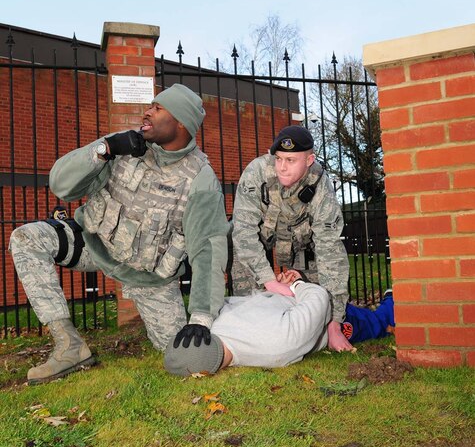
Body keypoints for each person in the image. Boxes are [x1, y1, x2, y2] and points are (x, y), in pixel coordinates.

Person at [9, 84, 230, 384]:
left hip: (148, 277)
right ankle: (69, 345)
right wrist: (105, 149)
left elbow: (209, 252)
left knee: (182, 356)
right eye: (150, 105)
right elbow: (60, 184)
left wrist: (201, 318)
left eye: (158, 107)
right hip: (93, 243)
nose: (147, 112)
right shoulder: (123, 146)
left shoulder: (201, 180)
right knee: (27, 238)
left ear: (181, 122)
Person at [231, 125, 352, 353]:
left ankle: (323, 324)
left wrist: (334, 322)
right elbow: (244, 232)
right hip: (259, 241)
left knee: (323, 294)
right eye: (278, 159)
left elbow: (329, 248)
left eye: (290, 160)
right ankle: (248, 326)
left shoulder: (320, 186)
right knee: (232, 245)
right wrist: (269, 280)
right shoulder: (257, 172)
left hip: (303, 247)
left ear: (309, 160)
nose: (282, 168)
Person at [164, 270, 395, 377]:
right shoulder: (278, 343)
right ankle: (391, 299)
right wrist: (295, 286)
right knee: (376, 322)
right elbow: (320, 299)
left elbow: (239, 303)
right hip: (319, 316)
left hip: (285, 296)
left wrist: (277, 287)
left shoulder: (211, 326)